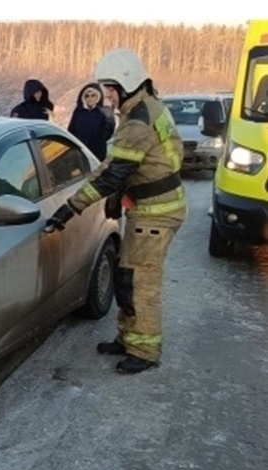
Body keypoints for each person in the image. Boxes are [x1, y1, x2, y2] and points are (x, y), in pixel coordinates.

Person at [45, 48, 188, 375]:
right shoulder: (147, 106)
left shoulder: (137, 121)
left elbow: (111, 173)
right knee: (127, 274)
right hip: (152, 206)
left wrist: (70, 208)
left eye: (110, 88)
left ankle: (145, 350)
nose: (107, 94)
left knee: (140, 281)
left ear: (126, 83)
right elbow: (123, 165)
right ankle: (128, 337)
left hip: (156, 213)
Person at [67, 82, 116, 161]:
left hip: (97, 154)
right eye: (87, 96)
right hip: (80, 153)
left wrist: (110, 120)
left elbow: (108, 134)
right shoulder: (78, 112)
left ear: (98, 96)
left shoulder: (102, 112)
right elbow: (71, 131)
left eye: (93, 95)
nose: (90, 98)